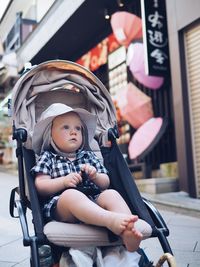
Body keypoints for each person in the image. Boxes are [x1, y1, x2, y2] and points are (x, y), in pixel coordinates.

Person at [32, 103, 151, 252]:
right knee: (71, 194)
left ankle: (128, 229)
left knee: (111, 194)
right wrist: (63, 182)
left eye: (78, 128)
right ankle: (111, 220)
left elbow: (105, 183)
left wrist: (95, 176)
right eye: (66, 127)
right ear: (49, 135)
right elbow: (40, 185)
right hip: (62, 207)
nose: (73, 132)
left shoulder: (88, 156)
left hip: (92, 201)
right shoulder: (48, 157)